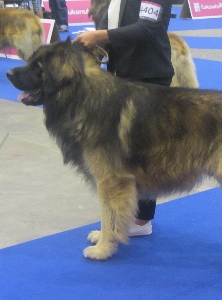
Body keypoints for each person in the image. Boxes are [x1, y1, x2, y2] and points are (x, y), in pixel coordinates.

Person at [73, 0, 174, 236]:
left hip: (149, 78)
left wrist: (99, 35)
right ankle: (121, 220)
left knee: (145, 153)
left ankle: (141, 220)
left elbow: (147, 29)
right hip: (121, 77)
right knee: (122, 158)